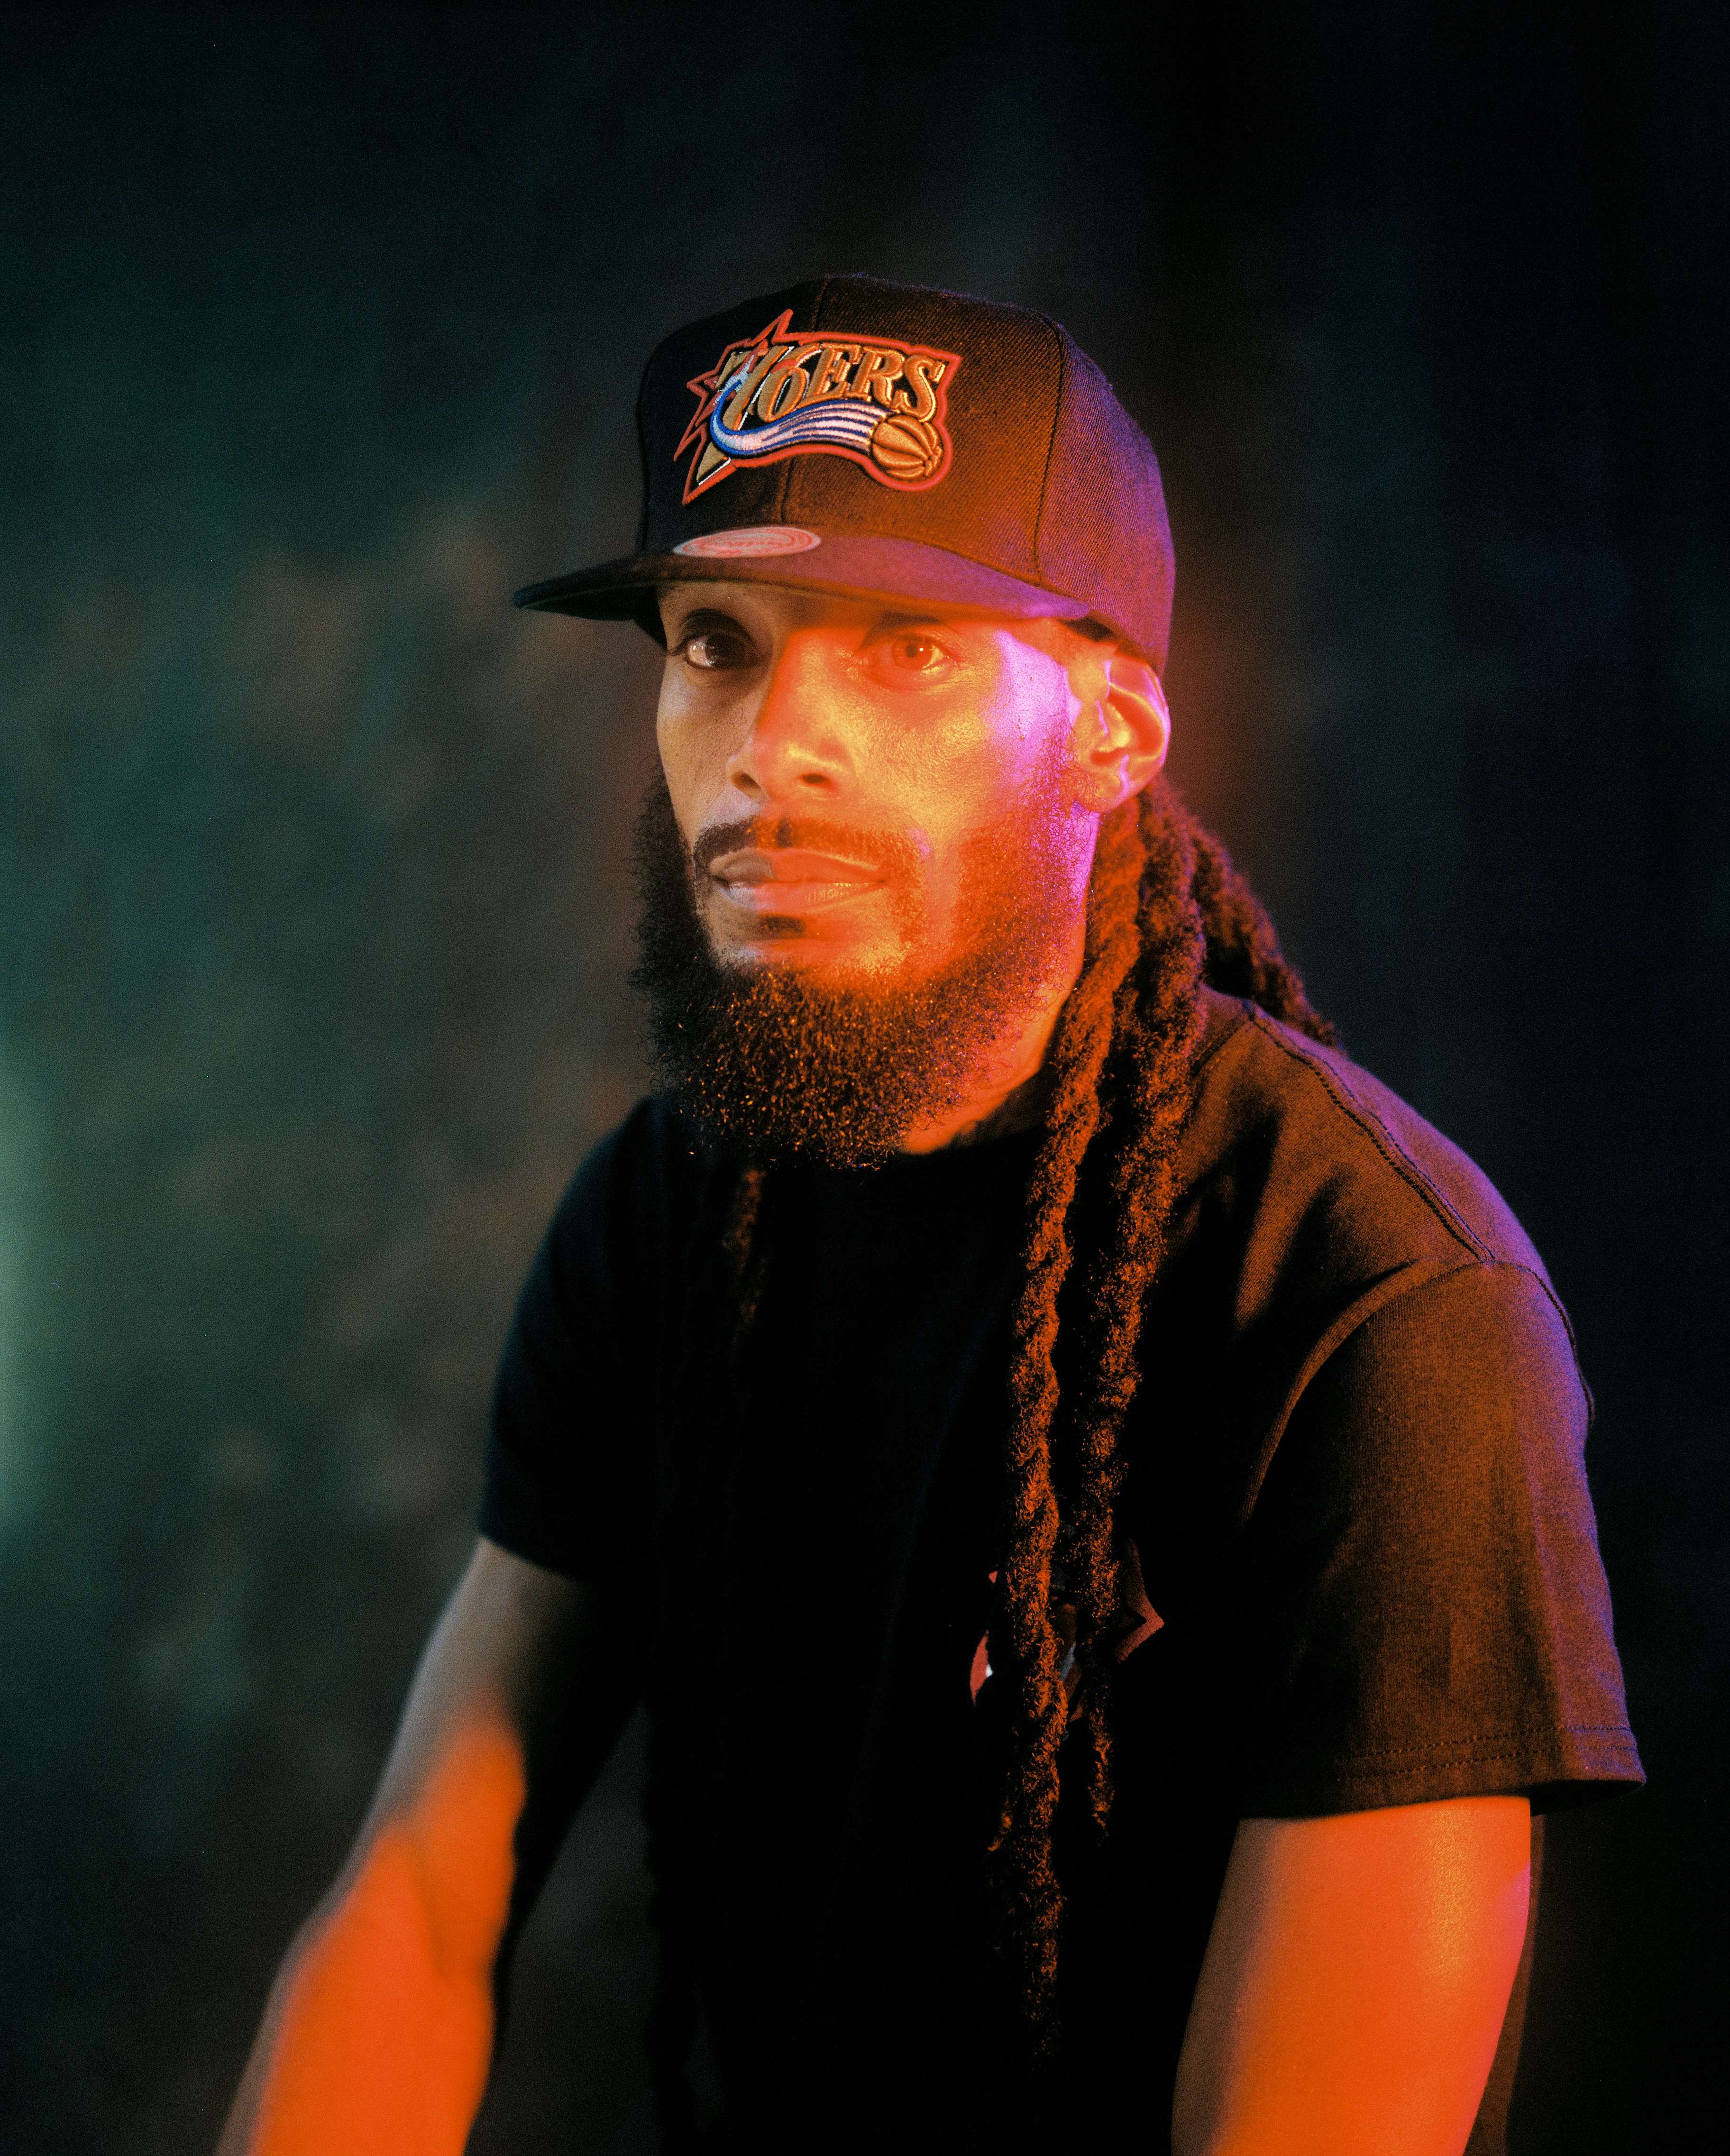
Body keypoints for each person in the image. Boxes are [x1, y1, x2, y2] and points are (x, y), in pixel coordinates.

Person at [217, 276, 1642, 2156]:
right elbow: (419, 1897)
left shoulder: (1375, 1302)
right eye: (715, 639)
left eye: (904, 648)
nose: (771, 743)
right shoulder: (671, 1211)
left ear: (1116, 728)